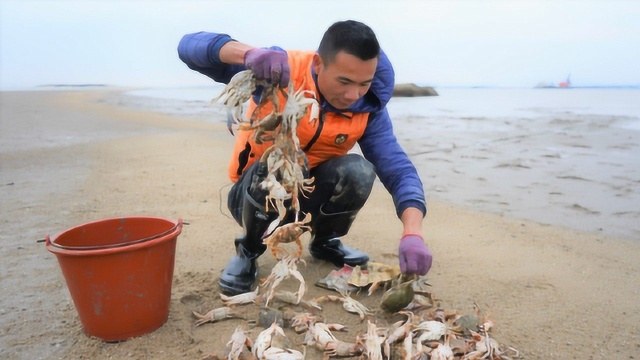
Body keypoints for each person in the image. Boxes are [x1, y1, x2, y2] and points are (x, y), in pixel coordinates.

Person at [178, 20, 432, 295]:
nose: (352, 95)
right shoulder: (279, 71)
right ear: (319, 64)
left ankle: (325, 241)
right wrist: (248, 54)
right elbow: (188, 47)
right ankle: (248, 250)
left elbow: (397, 168)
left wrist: (413, 232)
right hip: (254, 196)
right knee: (278, 162)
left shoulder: (368, 105)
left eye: (364, 83)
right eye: (344, 81)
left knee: (359, 170)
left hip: (312, 196)